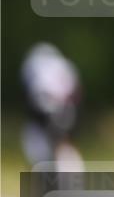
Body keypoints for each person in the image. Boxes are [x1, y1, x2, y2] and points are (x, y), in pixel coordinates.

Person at [20, 42, 84, 170]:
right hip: (67, 109)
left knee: (39, 142)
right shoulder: (65, 65)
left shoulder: (32, 64)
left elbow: (30, 92)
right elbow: (76, 91)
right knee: (62, 143)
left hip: (43, 106)